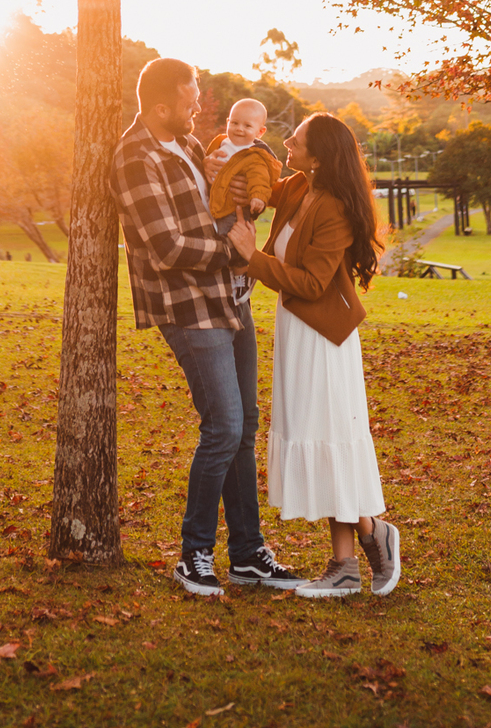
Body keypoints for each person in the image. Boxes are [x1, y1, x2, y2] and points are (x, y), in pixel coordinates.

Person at [110, 56, 303, 599]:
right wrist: (235, 252)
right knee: (222, 426)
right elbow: (166, 247)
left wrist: (245, 198)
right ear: (163, 104)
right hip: (188, 307)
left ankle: (247, 554)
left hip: (231, 299)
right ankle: (193, 554)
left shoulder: (190, 146)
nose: (200, 106)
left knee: (244, 428)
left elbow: (223, 199)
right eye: (192, 98)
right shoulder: (135, 156)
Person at [227, 112, 400, 598]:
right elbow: (263, 185)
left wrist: (251, 257)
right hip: (297, 333)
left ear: (320, 156)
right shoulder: (301, 186)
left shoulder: (336, 209)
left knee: (330, 442)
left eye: (296, 140)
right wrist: (244, 185)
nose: (287, 142)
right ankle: (366, 540)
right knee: (322, 442)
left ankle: (349, 561)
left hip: (325, 341)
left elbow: (311, 282)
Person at [206, 97, 281, 222]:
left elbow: (259, 178)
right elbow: (206, 160)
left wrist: (258, 197)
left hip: (233, 210)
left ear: (260, 132)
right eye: (234, 123)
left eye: (247, 126)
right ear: (227, 123)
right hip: (211, 202)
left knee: (228, 236)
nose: (239, 128)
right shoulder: (220, 142)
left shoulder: (254, 155)